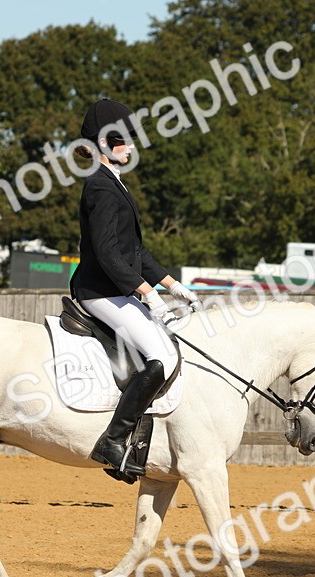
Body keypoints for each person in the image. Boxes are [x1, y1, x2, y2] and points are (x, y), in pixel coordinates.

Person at [69, 99, 200, 482]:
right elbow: (108, 253)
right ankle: (113, 441)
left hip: (117, 290)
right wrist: (148, 293)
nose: (130, 145)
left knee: (167, 349)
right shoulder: (99, 186)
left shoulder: (113, 182)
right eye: (122, 139)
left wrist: (173, 285)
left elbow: (134, 251)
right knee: (160, 356)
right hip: (99, 291)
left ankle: (138, 445)